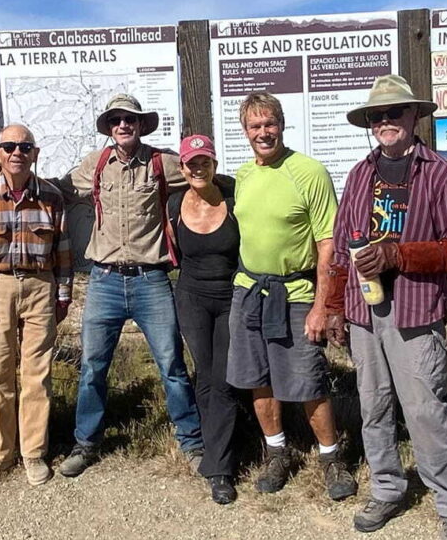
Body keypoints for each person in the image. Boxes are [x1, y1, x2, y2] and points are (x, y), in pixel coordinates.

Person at [332, 75, 447, 540]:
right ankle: (388, 488)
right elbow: (338, 245)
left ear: (415, 117)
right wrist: (334, 305)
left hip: (415, 311)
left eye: (395, 113)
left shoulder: (439, 174)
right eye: (378, 115)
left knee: (424, 411)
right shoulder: (359, 175)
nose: (386, 122)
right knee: (372, 407)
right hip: (362, 311)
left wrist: (399, 255)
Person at [56, 94, 203, 477]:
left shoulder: (162, 163)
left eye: (130, 119)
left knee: (171, 365)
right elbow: (60, 190)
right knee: (92, 366)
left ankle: (192, 442)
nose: (123, 125)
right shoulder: (96, 164)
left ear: (141, 125)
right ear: (109, 127)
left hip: (151, 280)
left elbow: (201, 172)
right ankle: (86, 442)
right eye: (116, 120)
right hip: (103, 281)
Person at [227, 91, 356, 499]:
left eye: (270, 124)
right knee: (258, 379)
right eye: (255, 126)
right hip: (249, 291)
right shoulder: (245, 175)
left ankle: (332, 458)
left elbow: (328, 244)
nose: (263, 132)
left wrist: (322, 304)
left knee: (307, 379)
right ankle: (277, 452)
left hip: (297, 291)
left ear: (282, 125)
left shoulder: (309, 172)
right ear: (245, 131)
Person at [0, 124, 72, 487]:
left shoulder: (52, 197)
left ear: (35, 153)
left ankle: (33, 453)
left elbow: (63, 251)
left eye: (25, 147)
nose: (17, 153)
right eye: (9, 146)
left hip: (41, 285)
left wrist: (63, 295)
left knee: (37, 374)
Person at [168, 134, 242, 504]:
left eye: (204, 161)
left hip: (230, 297)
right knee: (204, 376)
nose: (198, 168)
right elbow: (174, 252)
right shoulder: (173, 205)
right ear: (182, 168)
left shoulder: (234, 199)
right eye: (191, 163)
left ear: (214, 164)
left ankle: (220, 468)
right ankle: (217, 455)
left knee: (224, 381)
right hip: (192, 298)